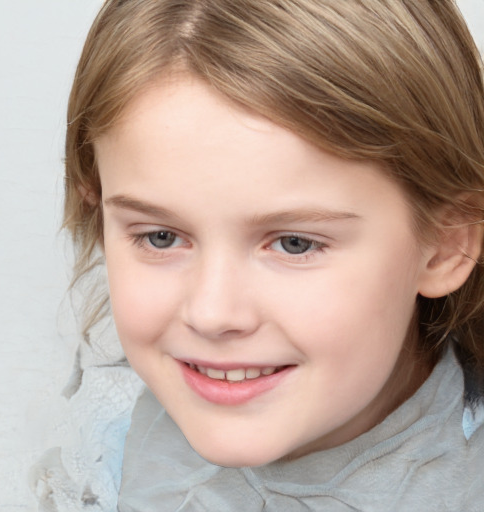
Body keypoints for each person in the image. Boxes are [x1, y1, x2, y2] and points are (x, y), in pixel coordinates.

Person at [33, 0, 484, 510]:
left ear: (447, 244)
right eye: (160, 237)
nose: (212, 313)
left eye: (295, 244)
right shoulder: (102, 443)